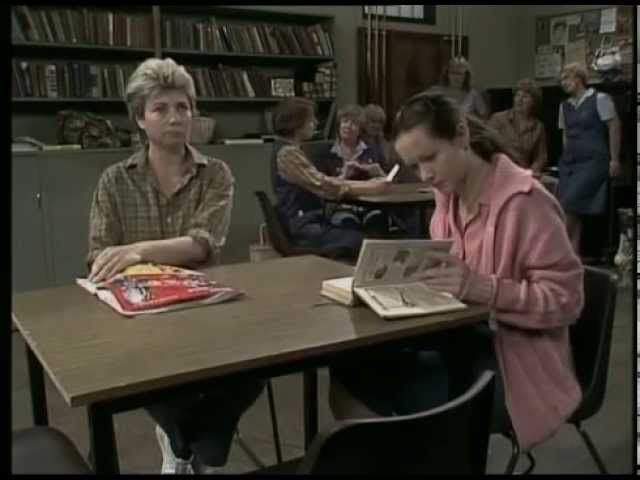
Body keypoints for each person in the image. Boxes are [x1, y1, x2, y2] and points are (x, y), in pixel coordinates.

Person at [330, 91, 584, 453]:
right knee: (350, 371)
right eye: (415, 166)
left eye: (430, 157)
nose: (426, 175)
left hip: (517, 368)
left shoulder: (527, 202)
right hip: (459, 341)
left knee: (369, 387)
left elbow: (567, 301)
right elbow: (452, 285)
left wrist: (482, 288)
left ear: (462, 134)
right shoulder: (446, 199)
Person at [87, 57, 265, 474]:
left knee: (259, 363)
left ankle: (180, 441)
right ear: (140, 119)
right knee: (150, 368)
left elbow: (203, 244)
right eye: (161, 108)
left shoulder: (216, 173)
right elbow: (99, 254)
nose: (175, 117)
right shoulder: (115, 179)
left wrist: (137, 251)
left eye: (183, 107)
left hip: (205, 309)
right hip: (139, 316)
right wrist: (127, 258)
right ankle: (195, 446)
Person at [271, 98, 390, 259]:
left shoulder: (292, 150)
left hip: (310, 221)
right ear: (296, 123)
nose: (315, 122)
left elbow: (322, 181)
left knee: (369, 228)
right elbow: (324, 185)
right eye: (310, 119)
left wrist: (356, 181)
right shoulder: (287, 153)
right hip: (303, 226)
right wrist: (370, 188)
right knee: (363, 241)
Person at [557, 62, 621, 254]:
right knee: (572, 210)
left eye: (566, 78)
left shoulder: (599, 99)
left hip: (593, 162)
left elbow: (614, 127)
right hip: (570, 164)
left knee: (568, 204)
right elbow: (565, 134)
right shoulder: (564, 106)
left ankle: (558, 253)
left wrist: (614, 159)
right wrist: (566, 158)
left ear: (578, 78)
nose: (563, 83)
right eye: (561, 80)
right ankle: (573, 257)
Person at [313, 104, 389, 235]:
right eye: (345, 121)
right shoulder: (324, 153)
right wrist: (343, 175)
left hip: (370, 205)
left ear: (360, 129)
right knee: (349, 225)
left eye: (354, 123)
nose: (348, 126)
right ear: (339, 125)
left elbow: (387, 184)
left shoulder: (373, 150)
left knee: (377, 222)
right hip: (339, 206)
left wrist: (380, 173)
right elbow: (321, 187)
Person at [488, 78, 548, 175]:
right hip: (499, 170)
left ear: (534, 102)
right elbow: (486, 146)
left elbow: (541, 157)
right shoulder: (498, 119)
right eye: (517, 95)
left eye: (525, 97)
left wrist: (531, 172)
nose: (519, 100)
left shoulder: (538, 127)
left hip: (523, 172)